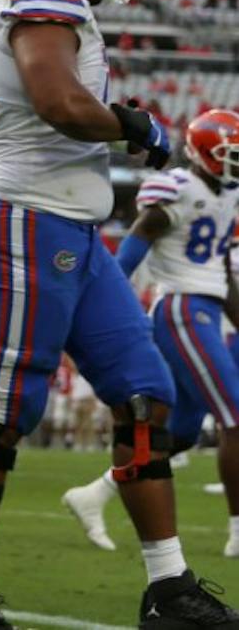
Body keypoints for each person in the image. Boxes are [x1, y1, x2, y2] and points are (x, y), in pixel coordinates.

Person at [0, 0, 236, 629]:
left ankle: (168, 585)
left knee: (145, 394)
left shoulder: (52, 2)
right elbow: (60, 101)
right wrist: (142, 126)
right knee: (5, 409)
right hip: (28, 220)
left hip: (72, 227)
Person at [63, 109, 239, 556]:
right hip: (181, 308)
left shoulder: (228, 194)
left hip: (204, 308)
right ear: (201, 152)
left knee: (176, 433)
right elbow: (126, 258)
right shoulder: (179, 189)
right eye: (227, 153)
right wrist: (107, 314)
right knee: (235, 416)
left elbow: (220, 271)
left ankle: (94, 495)